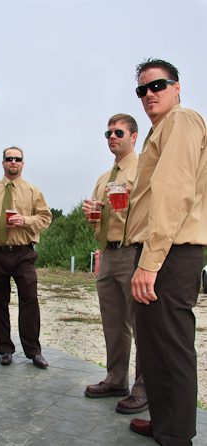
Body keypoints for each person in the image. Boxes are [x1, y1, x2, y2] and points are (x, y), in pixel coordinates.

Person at [114, 58, 207, 446]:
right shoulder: (160, 130)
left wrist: (149, 261)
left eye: (159, 85)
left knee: (170, 353)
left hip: (170, 252)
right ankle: (165, 424)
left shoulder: (182, 120)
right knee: (155, 348)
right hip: (161, 251)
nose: (150, 94)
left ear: (177, 87)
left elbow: (173, 189)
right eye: (142, 90)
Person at [83, 114, 148, 414]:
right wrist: (91, 212)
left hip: (133, 252)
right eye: (107, 132)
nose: (112, 137)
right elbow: (99, 217)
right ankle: (116, 378)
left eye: (118, 132)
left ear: (134, 136)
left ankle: (144, 388)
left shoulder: (145, 167)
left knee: (142, 325)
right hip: (107, 255)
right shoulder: (103, 178)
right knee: (113, 322)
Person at [0, 146, 52, 368]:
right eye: (9, 159)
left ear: (23, 163)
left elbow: (45, 218)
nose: (13, 162)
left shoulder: (32, 191)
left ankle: (34, 351)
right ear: (3, 163)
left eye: (17, 159)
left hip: (23, 253)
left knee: (30, 300)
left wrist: (24, 220)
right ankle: (5, 349)